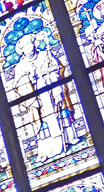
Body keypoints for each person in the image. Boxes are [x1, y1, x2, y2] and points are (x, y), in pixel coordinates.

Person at [11, 31, 80, 164]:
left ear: (34, 45)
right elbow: (19, 85)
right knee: (42, 122)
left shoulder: (45, 55)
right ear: (22, 51)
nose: (29, 49)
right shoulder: (20, 66)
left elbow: (58, 68)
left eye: (30, 45)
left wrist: (51, 75)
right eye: (26, 48)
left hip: (51, 89)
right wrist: (30, 80)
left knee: (60, 113)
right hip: (37, 96)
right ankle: (46, 151)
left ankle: (68, 138)